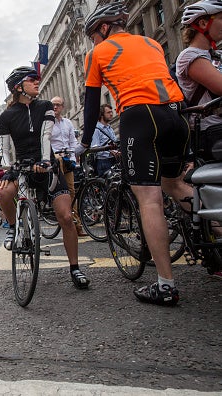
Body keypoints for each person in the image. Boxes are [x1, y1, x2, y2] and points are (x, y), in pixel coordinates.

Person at [80, 2, 193, 305]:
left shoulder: (98, 53)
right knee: (176, 183)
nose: (92, 41)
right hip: (176, 113)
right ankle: (208, 239)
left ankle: (166, 285)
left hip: (141, 116)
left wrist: (85, 142)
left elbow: (91, 104)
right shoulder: (152, 42)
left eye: (92, 35)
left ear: (103, 29)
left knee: (149, 199)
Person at [0, 66, 89, 289]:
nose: (37, 82)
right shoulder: (7, 116)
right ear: (19, 87)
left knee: (66, 217)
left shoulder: (45, 106)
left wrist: (46, 161)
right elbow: (5, 148)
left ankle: (75, 268)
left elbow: (46, 136)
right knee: (3, 192)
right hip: (22, 165)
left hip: (46, 163)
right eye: (32, 79)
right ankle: (12, 227)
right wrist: (9, 168)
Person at [176, 0, 222, 163]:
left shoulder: (214, 55)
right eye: (221, 18)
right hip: (212, 132)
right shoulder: (189, 56)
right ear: (203, 23)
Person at [50, 96, 87, 237]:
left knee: (71, 191)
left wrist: (72, 158)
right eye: (53, 104)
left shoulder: (68, 123)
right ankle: (61, 215)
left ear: (62, 107)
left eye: (58, 105)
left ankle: (77, 225)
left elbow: (73, 142)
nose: (55, 107)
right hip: (55, 161)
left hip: (67, 160)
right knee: (59, 192)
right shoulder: (47, 123)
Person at [90, 104, 119, 177]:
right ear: (102, 115)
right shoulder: (96, 130)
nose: (111, 114)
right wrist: (109, 152)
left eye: (111, 112)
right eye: (108, 112)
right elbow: (95, 148)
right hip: (103, 162)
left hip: (114, 160)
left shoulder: (110, 128)